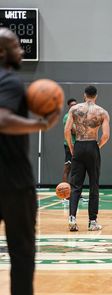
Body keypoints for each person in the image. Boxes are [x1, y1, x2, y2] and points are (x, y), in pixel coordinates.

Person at [0, 28, 61, 295]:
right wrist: (42, 123)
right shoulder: (10, 81)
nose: (22, 50)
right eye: (16, 45)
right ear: (2, 52)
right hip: (13, 182)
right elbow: (2, 120)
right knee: (22, 253)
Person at [64, 85, 110, 231]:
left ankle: (72, 218)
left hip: (78, 145)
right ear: (96, 96)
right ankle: (92, 222)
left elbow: (66, 131)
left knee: (75, 185)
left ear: (84, 95)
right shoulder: (102, 112)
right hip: (92, 146)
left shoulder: (74, 109)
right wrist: (98, 146)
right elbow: (106, 135)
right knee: (93, 185)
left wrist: (72, 147)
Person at [62, 98, 77, 182]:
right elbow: (74, 131)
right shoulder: (67, 117)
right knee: (68, 168)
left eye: (75, 105)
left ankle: (75, 192)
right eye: (72, 105)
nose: (74, 107)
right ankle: (65, 193)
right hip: (70, 145)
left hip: (77, 145)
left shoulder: (77, 116)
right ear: (69, 107)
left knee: (77, 169)